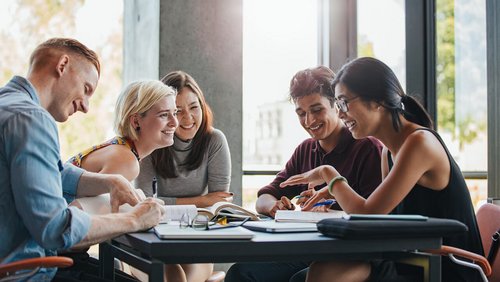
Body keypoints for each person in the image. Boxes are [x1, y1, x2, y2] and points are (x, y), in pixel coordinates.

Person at [280, 57, 483, 282]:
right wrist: (334, 191)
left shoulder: (419, 143)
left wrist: (330, 175)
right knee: (314, 273)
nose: (340, 113)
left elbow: (367, 214)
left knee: (322, 274)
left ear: (377, 100)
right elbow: (380, 221)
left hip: (444, 268)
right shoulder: (389, 151)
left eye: (345, 102)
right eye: (338, 105)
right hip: (410, 259)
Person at [0, 38, 164, 281]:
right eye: (86, 89)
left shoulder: (8, 105)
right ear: (63, 65)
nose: (86, 107)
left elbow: (55, 172)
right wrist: (133, 219)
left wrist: (111, 182)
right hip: (24, 273)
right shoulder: (31, 119)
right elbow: (56, 229)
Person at [225, 66, 383, 282]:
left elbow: (375, 216)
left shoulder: (367, 148)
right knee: (240, 273)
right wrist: (274, 206)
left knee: (300, 279)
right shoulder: (305, 150)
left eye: (317, 110)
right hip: (310, 250)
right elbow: (265, 196)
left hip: (351, 254)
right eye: (301, 113)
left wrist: (332, 198)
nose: (309, 121)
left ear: (337, 105)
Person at [135, 71, 232, 282]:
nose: (187, 118)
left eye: (194, 107)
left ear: (202, 106)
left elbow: (218, 205)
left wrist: (170, 205)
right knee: (164, 273)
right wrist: (200, 201)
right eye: (177, 111)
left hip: (197, 240)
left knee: (180, 278)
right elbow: (142, 203)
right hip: (156, 237)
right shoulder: (151, 142)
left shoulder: (214, 140)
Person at [68, 80, 178, 182]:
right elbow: (80, 203)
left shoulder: (122, 149)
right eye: (164, 115)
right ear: (136, 121)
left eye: (175, 113)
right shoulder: (126, 161)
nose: (175, 123)